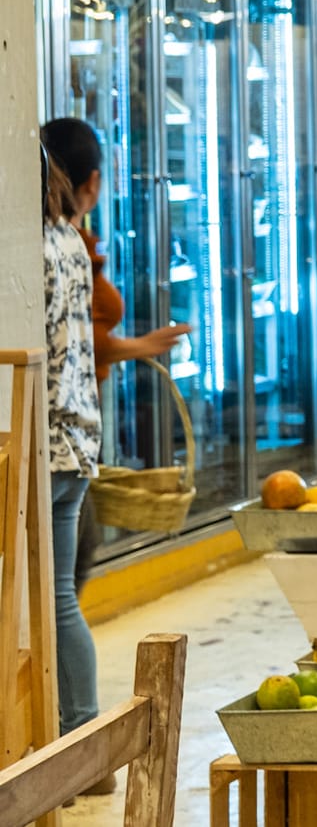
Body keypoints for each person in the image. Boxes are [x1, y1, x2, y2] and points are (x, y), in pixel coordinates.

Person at [39, 119, 192, 594]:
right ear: (93, 181)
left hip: (66, 428)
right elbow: (77, 338)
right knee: (67, 584)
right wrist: (145, 346)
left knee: (65, 581)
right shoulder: (65, 244)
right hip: (67, 428)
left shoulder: (61, 241)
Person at [39, 143, 115, 796]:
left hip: (39, 442)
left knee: (48, 598)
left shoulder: (29, 250)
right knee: (59, 597)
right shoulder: (68, 240)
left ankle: (65, 737)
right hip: (78, 438)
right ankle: (84, 742)